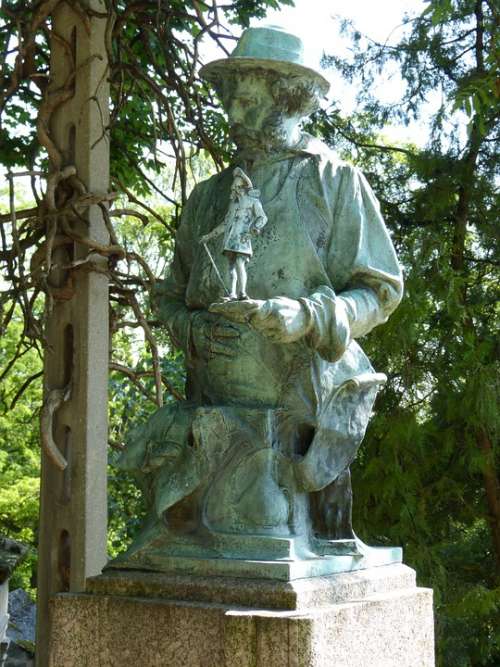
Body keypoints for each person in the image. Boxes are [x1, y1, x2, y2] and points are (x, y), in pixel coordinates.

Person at [125, 26, 403, 544]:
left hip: (302, 425)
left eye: (248, 102)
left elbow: (380, 290)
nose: (232, 116)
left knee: (263, 527)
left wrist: (309, 316)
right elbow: (168, 295)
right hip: (211, 419)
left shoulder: (334, 182)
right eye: (230, 101)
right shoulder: (209, 196)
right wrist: (191, 329)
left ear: (291, 99)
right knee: (174, 548)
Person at [200, 167, 267, 301]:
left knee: (239, 263)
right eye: (234, 188)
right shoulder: (233, 205)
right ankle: (232, 293)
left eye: (238, 187)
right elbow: (224, 224)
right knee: (231, 268)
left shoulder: (253, 202)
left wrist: (253, 229)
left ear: (244, 187)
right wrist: (209, 236)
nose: (236, 190)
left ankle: (242, 292)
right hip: (230, 240)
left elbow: (262, 217)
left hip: (242, 238)